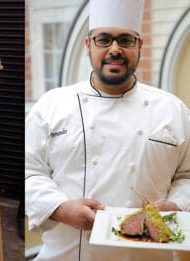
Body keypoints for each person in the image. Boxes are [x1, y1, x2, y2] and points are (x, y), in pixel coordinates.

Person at [25, 0, 190, 260]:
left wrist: (178, 204)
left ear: (139, 46)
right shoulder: (51, 106)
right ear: (88, 45)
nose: (115, 49)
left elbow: (187, 175)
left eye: (125, 40)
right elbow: (30, 172)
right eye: (104, 39)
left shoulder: (173, 110)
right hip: (68, 254)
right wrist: (60, 208)